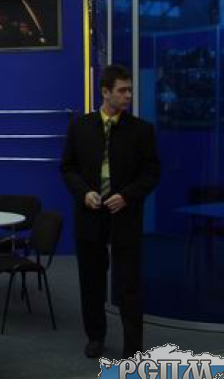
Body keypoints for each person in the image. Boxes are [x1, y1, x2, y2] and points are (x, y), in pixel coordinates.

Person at [60, 64, 161, 360]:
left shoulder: (142, 131)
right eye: (122, 90)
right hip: (89, 213)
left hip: (125, 215)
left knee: (129, 283)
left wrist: (127, 196)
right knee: (91, 281)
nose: (128, 95)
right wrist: (84, 192)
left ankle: (133, 346)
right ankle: (95, 337)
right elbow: (67, 168)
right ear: (105, 92)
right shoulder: (80, 126)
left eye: (130, 90)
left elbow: (151, 172)